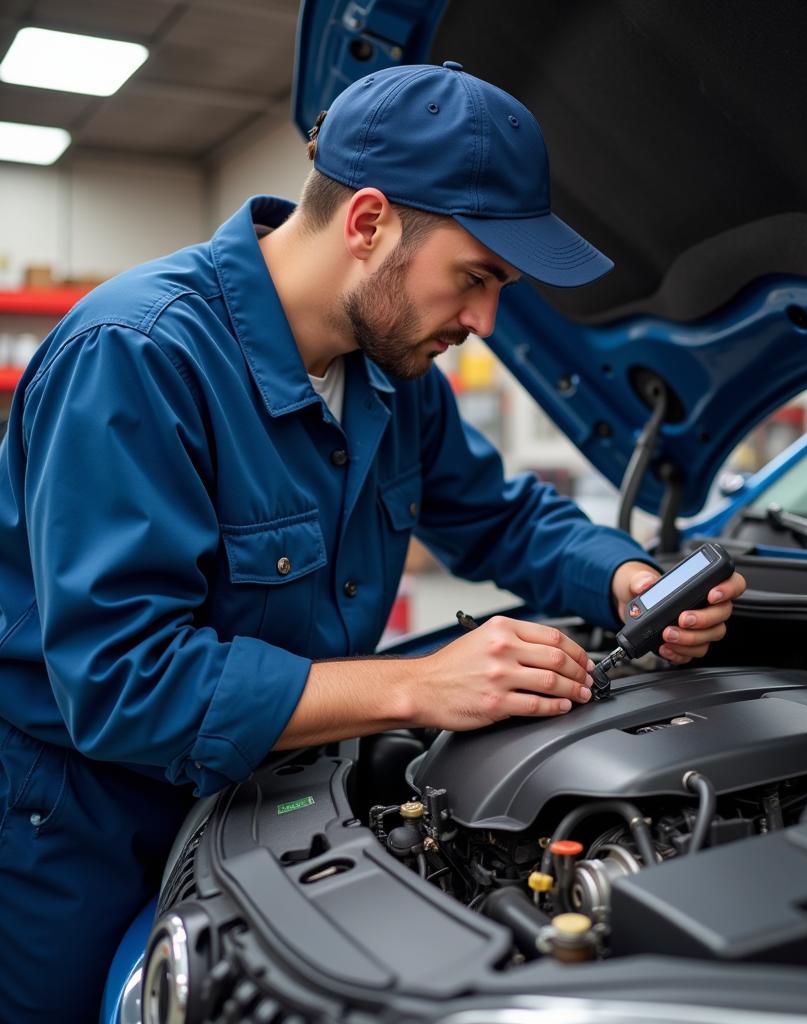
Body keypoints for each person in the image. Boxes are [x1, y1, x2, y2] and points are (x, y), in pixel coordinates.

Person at [0, 61, 745, 1021]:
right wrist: (416, 685)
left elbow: (501, 515)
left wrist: (627, 578)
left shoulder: (392, 381)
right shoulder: (138, 356)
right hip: (80, 826)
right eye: (474, 279)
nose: (483, 322)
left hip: (270, 786)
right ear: (368, 223)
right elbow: (123, 679)